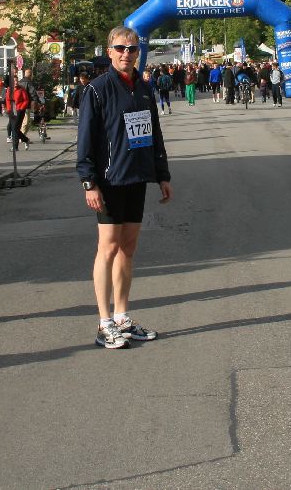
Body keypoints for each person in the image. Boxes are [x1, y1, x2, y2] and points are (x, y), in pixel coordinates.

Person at [77, 26, 173, 349]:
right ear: (110, 52)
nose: (126, 54)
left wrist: (162, 174)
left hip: (137, 178)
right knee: (108, 248)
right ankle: (104, 323)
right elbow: (85, 140)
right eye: (120, 48)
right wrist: (89, 182)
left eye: (132, 49)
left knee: (127, 249)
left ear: (138, 53)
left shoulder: (143, 88)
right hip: (108, 181)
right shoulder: (97, 90)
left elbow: (154, 134)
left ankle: (122, 317)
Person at [7, 78, 32, 149]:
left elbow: (26, 100)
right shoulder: (9, 89)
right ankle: (25, 140)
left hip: (19, 110)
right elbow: (7, 100)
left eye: (16, 80)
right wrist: (8, 109)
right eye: (14, 81)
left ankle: (15, 146)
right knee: (14, 128)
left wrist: (21, 108)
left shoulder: (21, 89)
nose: (16, 82)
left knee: (15, 127)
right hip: (12, 110)